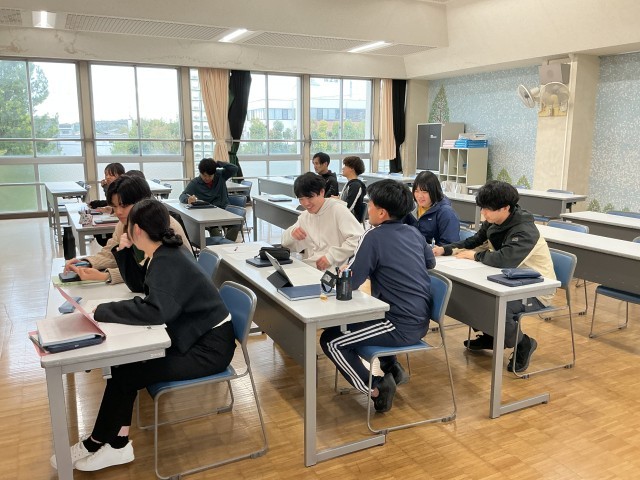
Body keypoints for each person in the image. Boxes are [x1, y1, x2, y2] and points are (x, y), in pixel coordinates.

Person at [51, 199, 236, 472]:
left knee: (127, 373)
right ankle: (117, 444)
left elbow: (156, 311)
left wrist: (102, 311)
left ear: (136, 229)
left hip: (208, 349)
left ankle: (98, 442)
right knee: (124, 366)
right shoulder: (163, 252)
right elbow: (139, 285)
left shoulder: (168, 260)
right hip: (193, 334)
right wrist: (124, 251)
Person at [320, 180, 435, 412]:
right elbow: (430, 262)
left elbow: (352, 283)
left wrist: (344, 273)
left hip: (399, 324)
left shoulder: (373, 236)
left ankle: (376, 387)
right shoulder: (414, 232)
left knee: (331, 341)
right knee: (350, 325)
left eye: (370, 204)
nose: (368, 208)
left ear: (382, 212)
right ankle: (392, 368)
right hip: (419, 319)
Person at [432, 180, 556, 373]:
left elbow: (505, 260)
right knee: (472, 295)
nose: (483, 213)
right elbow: (475, 240)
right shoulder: (494, 221)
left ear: (505, 208)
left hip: (535, 289)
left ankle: (523, 343)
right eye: (482, 208)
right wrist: (445, 249)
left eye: (487, 209)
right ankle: (492, 335)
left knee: (498, 306)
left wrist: (475, 256)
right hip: (506, 280)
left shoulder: (525, 230)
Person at [64, 175, 193, 286]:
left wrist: (106, 276)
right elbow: (110, 252)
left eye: (124, 206)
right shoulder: (125, 223)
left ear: (143, 202)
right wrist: (86, 263)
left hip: (176, 287)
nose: (118, 212)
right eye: (114, 206)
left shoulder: (162, 224)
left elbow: (147, 270)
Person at [281, 172, 363, 271]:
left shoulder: (337, 210)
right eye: (301, 199)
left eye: (310, 197)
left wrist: (331, 257)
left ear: (322, 192)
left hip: (333, 270)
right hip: (311, 267)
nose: (306, 203)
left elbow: (359, 238)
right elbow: (286, 244)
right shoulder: (305, 216)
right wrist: (292, 234)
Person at [179, 158, 240, 241]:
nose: (207, 178)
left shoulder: (220, 175)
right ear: (200, 173)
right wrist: (188, 199)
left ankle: (227, 244)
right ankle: (221, 245)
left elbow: (234, 168)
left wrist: (217, 163)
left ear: (214, 173)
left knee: (235, 225)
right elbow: (182, 196)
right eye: (204, 175)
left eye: (210, 176)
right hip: (208, 215)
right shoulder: (195, 183)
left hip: (224, 211)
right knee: (214, 230)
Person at [403, 171, 460, 246]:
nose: (419, 196)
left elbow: (450, 244)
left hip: (433, 251)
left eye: (424, 192)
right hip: (412, 249)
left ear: (434, 191)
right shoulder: (411, 207)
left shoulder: (446, 212)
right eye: (416, 191)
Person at [89, 163, 125, 246]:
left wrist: (106, 188)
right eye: (106, 175)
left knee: (100, 234)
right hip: (116, 221)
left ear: (121, 176)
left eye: (111, 175)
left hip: (119, 224)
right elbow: (111, 202)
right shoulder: (112, 187)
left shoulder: (123, 190)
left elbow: (113, 201)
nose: (107, 177)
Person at [339, 155, 367, 221]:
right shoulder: (350, 183)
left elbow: (348, 207)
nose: (343, 168)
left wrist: (338, 201)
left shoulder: (355, 186)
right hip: (344, 217)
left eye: (345, 166)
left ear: (352, 168)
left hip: (350, 220)